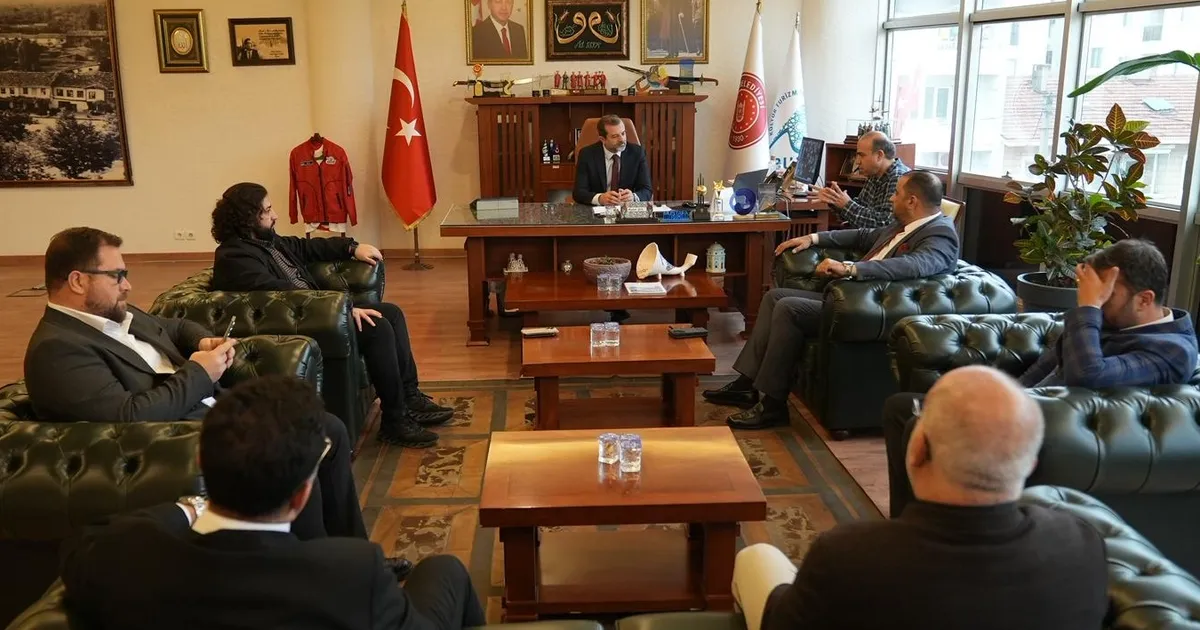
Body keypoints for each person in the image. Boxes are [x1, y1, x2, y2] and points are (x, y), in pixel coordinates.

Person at [21, 227, 414, 577]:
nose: (127, 285)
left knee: (327, 429)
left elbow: (175, 326)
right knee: (300, 449)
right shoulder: (59, 349)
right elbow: (129, 417)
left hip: (210, 410)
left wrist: (201, 340)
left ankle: (351, 557)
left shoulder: (114, 315)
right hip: (174, 440)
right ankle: (317, 569)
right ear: (77, 280)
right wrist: (200, 372)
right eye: (117, 275)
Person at [59, 375, 486, 630]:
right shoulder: (354, 573)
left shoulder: (116, 556)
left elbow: (90, 543)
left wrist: (191, 506)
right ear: (302, 495)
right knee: (445, 569)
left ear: (201, 461)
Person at [731, 366, 1108, 630]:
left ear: (916, 449)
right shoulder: (1082, 543)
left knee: (756, 557)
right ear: (1030, 463)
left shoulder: (849, 556)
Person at [884, 238, 1199, 517]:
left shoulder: (1172, 350)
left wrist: (1089, 307)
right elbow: (1046, 366)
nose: (1099, 302)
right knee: (901, 409)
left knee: (917, 424)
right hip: (1028, 411)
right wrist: (1003, 402)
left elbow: (1087, 375)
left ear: (1144, 299)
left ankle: (931, 528)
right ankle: (909, 519)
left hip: (1066, 435)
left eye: (1108, 295)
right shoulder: (1110, 322)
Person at [704, 170, 959, 429]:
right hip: (847, 296)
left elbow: (914, 265)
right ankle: (745, 385)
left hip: (868, 310)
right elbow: (862, 236)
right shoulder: (903, 224)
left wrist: (850, 268)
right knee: (774, 297)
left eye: (896, 193)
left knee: (789, 308)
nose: (892, 198)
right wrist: (812, 238)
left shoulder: (940, 234)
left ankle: (772, 406)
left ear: (912, 201)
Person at [209, 182, 452, 449]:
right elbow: (280, 294)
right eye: (267, 211)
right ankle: (395, 421)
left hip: (318, 311)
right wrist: (341, 310)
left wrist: (351, 247)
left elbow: (306, 247)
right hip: (300, 323)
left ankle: (410, 397)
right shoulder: (235, 257)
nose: (274, 215)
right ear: (247, 218)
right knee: (376, 326)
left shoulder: (266, 241)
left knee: (391, 313)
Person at [813, 130, 910, 229]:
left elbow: (885, 225)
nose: (857, 162)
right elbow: (860, 208)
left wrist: (847, 205)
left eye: (861, 155)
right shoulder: (874, 173)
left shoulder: (898, 178)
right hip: (864, 235)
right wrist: (835, 200)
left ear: (879, 155)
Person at [573, 114, 653, 206]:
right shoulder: (587, 154)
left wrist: (633, 197)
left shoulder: (637, 153)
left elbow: (647, 190)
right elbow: (578, 193)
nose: (622, 140)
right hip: (598, 210)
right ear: (602, 139)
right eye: (615, 136)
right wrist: (599, 198)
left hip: (626, 209)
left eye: (623, 133)